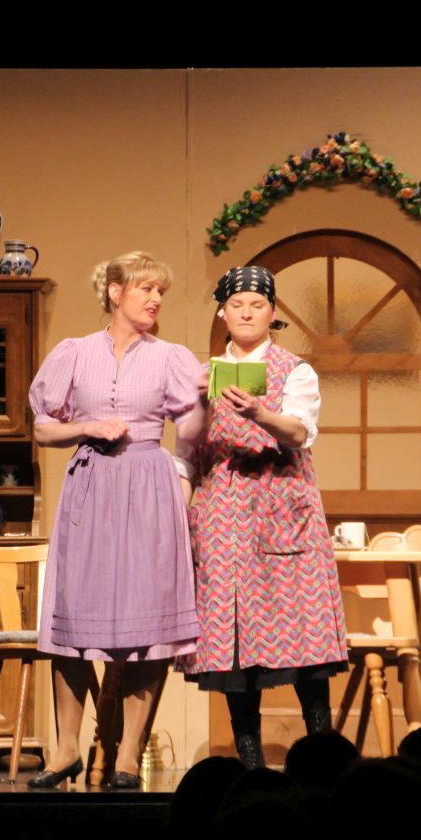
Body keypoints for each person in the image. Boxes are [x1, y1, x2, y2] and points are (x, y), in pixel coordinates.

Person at [27, 251, 203, 789]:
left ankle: (127, 755)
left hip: (147, 485)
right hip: (91, 486)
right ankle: (65, 750)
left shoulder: (170, 357)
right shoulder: (75, 352)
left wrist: (205, 403)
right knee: (73, 622)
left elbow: (192, 432)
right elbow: (43, 427)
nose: (154, 299)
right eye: (145, 288)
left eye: (160, 291)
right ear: (114, 292)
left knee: (147, 626)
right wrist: (87, 427)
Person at [177, 266, 348, 768]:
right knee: (235, 652)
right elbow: (187, 452)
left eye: (257, 305)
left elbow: (299, 432)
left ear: (273, 313)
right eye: (237, 305)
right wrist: (177, 511)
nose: (247, 313)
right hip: (222, 519)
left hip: (282, 510)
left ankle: (322, 763)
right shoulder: (203, 374)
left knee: (306, 644)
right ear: (222, 313)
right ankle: (250, 766)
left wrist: (259, 413)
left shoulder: (294, 370)